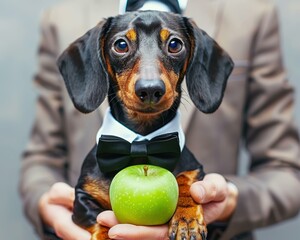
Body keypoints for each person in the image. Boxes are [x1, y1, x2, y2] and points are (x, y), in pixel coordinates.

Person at [19, 0, 300, 239]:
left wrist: (227, 203)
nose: (150, 83)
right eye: (121, 46)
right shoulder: (61, 16)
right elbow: (40, 160)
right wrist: (49, 207)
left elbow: (288, 174)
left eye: (174, 45)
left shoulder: (253, 13)